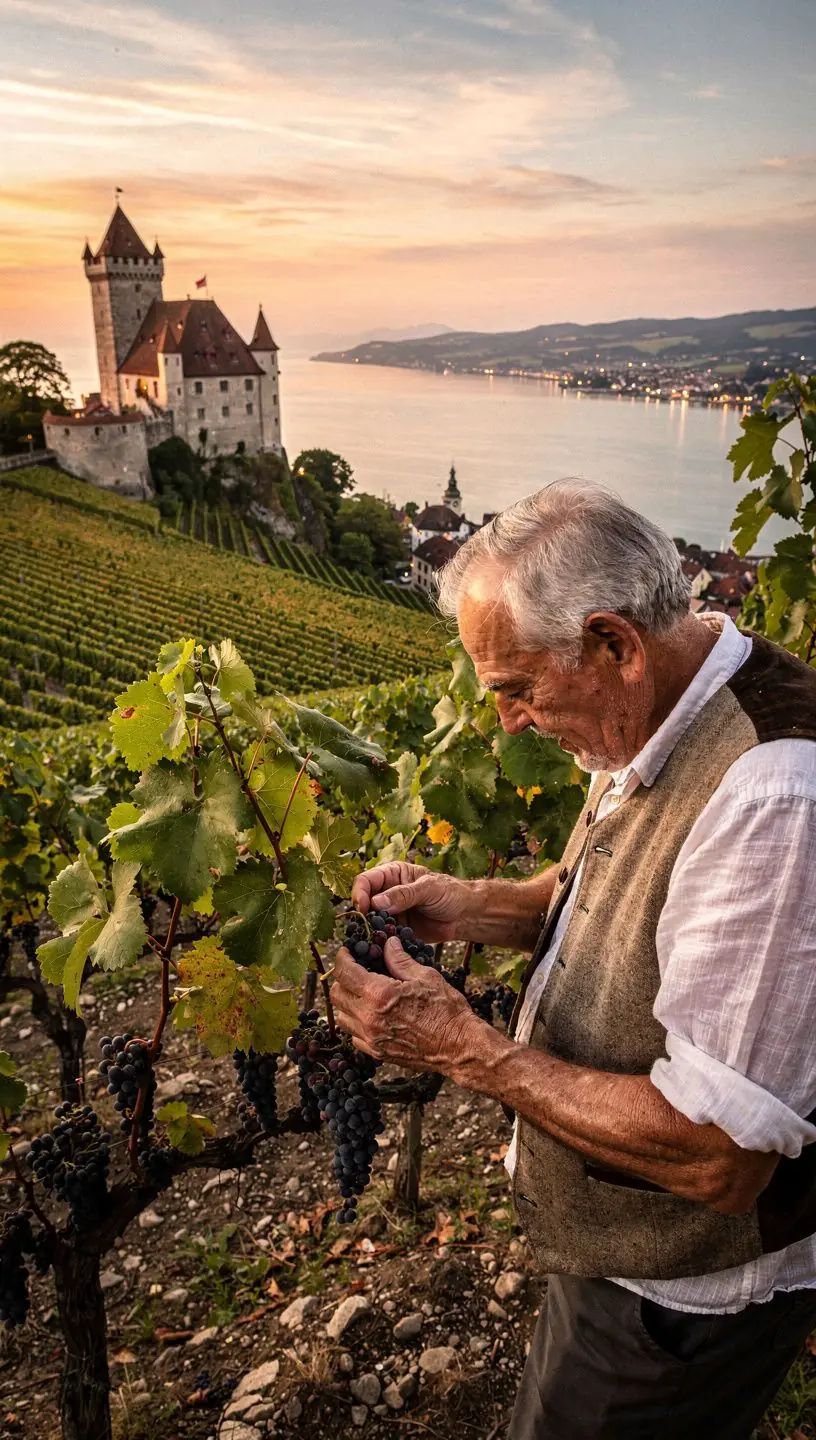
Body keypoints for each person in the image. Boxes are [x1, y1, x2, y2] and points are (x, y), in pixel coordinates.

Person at [330, 478, 816, 1440]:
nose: (507, 721)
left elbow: (719, 1154)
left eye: (516, 688)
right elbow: (597, 889)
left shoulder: (772, 798)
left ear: (614, 644)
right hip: (619, 1252)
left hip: (683, 1295)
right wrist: (472, 907)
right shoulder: (670, 693)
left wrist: (468, 1051)